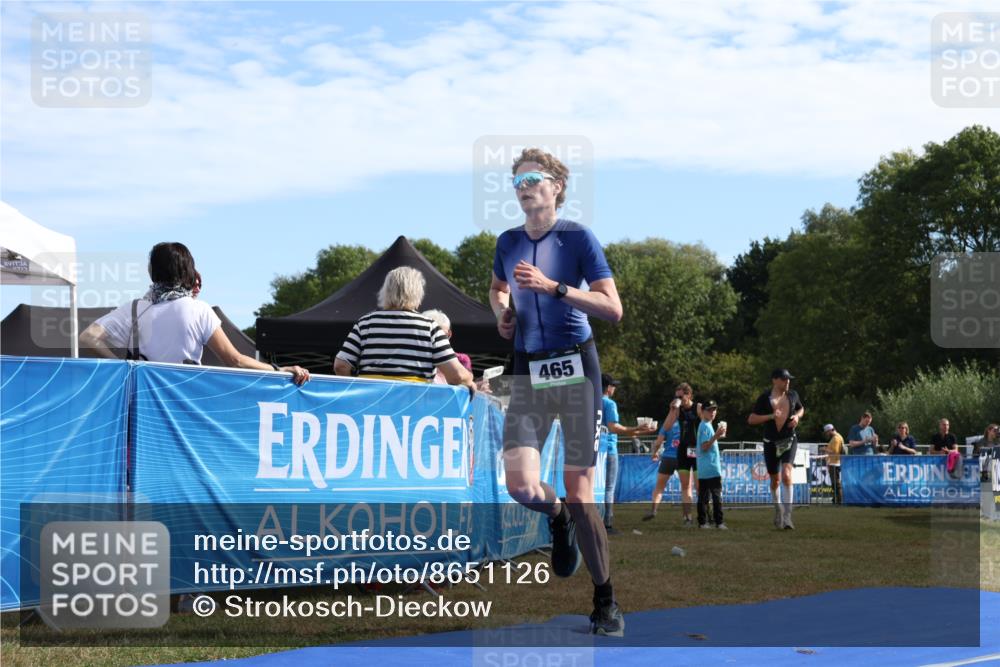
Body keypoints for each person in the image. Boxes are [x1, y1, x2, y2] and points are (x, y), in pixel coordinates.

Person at [489, 147, 625, 636]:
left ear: (556, 187)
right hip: (527, 369)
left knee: (581, 490)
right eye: (517, 179)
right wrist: (503, 313)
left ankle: (605, 598)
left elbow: (612, 309)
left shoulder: (577, 239)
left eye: (534, 177)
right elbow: (498, 288)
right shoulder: (506, 241)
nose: (524, 185)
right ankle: (557, 516)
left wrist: (554, 288)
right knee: (520, 487)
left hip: (574, 371)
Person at [80, 242, 309, 384]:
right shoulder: (199, 310)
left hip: (138, 405)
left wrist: (124, 368)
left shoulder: (131, 310)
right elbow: (236, 361)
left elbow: (88, 337)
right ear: (186, 271)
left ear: (153, 273)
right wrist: (281, 369)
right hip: (182, 404)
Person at [334, 267, 474, 389]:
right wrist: (469, 381)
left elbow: (340, 366)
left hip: (370, 409)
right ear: (418, 293)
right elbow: (456, 376)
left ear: (385, 291)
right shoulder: (430, 327)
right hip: (414, 410)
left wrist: (355, 390)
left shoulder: (365, 323)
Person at [747, 369, 804, 530]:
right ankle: (778, 509)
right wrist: (771, 416)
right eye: (784, 379)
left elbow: (801, 409)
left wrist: (797, 417)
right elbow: (751, 419)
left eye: (789, 379)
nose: (787, 382)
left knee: (786, 474)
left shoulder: (793, 395)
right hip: (770, 443)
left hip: (789, 440)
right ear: (774, 380)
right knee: (775, 480)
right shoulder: (765, 398)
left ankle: (788, 517)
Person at [600, 373, 656, 534]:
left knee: (594, 486)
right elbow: (613, 427)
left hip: (593, 450)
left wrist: (638, 433)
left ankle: (592, 520)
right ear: (609, 388)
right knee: (609, 488)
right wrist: (637, 429)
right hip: (609, 450)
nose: (615, 388)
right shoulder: (609, 404)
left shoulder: (590, 402)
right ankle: (607, 524)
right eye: (614, 385)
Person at [657, 383, 703, 526]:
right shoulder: (678, 409)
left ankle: (704, 516)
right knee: (685, 485)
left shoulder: (698, 407)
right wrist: (672, 410)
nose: (679, 399)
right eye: (676, 396)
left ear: (688, 395)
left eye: (681, 396)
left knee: (699, 486)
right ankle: (687, 517)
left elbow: (706, 424)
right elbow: (667, 427)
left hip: (698, 449)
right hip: (683, 450)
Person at [696, 401, 727, 530]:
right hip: (711, 468)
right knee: (715, 496)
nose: (712, 412)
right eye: (709, 410)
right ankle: (718, 522)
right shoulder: (704, 426)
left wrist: (717, 436)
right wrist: (716, 436)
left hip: (705, 468)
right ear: (703, 412)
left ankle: (704, 522)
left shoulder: (707, 425)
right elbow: (704, 447)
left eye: (714, 409)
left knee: (704, 497)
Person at [421, 309, 474, 385]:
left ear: (449, 334)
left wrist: (478, 388)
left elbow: (465, 386)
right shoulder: (416, 356)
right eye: (430, 334)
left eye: (441, 335)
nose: (437, 339)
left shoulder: (461, 359)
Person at [643, 420, 681, 521]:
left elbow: (658, 442)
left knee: (659, 487)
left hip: (668, 458)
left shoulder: (667, 423)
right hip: (683, 458)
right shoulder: (688, 422)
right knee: (687, 488)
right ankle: (688, 517)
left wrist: (655, 453)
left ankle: (654, 510)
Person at [823, 424, 845, 505]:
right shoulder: (838, 436)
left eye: (827, 432)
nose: (826, 434)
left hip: (834, 463)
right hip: (835, 463)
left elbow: (835, 452)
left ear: (830, 430)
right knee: (836, 483)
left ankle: (838, 501)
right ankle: (836, 500)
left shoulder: (835, 438)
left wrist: (824, 449)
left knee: (836, 483)